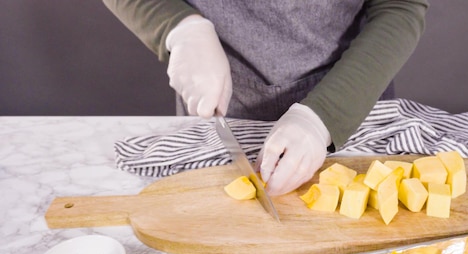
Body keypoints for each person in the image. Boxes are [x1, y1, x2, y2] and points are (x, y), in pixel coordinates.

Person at [102, 0, 428, 195]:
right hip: (218, 104)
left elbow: (400, 7)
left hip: (353, 102)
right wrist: (178, 27)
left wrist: (323, 117)